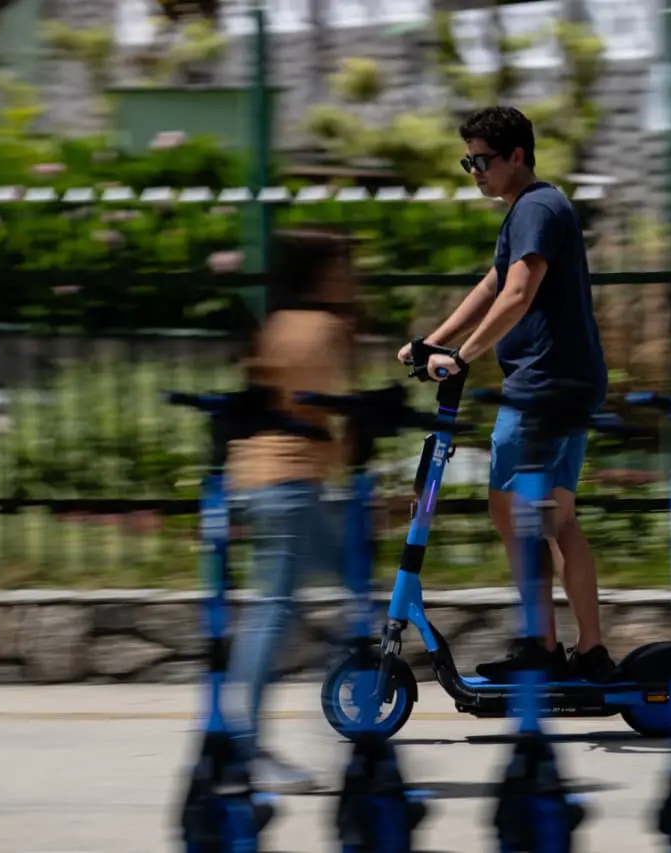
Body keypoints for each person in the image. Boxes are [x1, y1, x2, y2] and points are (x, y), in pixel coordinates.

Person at [397, 105, 616, 683]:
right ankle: (590, 650)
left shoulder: (537, 207)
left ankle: (542, 647)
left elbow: (518, 293)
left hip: (542, 384)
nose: (475, 171)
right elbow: (494, 283)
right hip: (568, 379)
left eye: (482, 161)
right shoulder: (533, 208)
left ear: (517, 155)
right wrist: (435, 341)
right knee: (557, 517)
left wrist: (461, 357)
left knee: (512, 510)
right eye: (468, 161)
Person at [225, 228, 358, 793]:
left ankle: (346, 722)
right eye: (344, 266)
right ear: (322, 273)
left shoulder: (278, 322)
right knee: (277, 611)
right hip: (291, 483)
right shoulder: (322, 329)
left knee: (350, 591)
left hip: (261, 478)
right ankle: (243, 749)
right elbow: (329, 410)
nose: (353, 277)